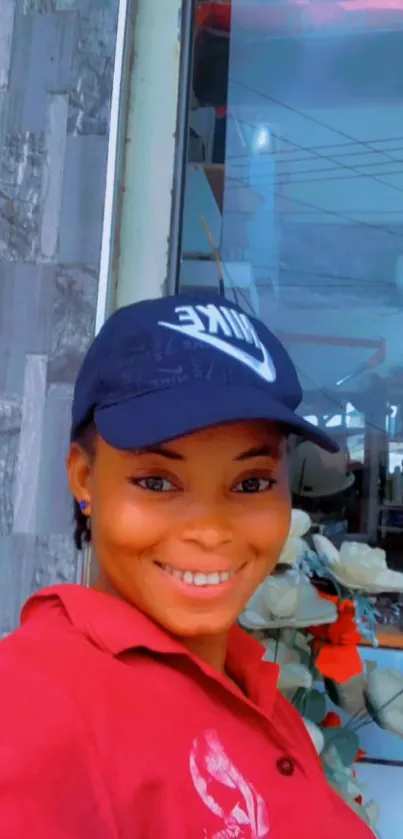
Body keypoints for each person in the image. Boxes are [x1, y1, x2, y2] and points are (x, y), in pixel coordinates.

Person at [0, 294, 374, 838]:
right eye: (156, 481)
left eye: (251, 483)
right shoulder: (33, 703)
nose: (210, 529)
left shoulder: (252, 687)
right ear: (84, 479)